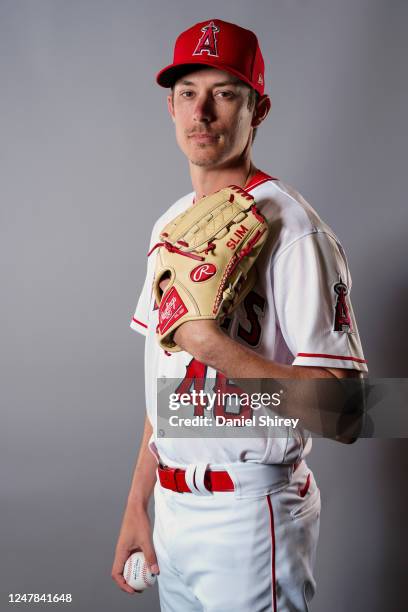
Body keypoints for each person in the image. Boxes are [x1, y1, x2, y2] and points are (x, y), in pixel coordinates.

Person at [111, 19, 368, 611]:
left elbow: (352, 413)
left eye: (224, 92)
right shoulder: (169, 224)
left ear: (260, 109)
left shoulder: (295, 229)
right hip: (173, 514)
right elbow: (168, 389)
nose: (202, 111)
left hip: (252, 519)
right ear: (170, 108)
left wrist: (214, 346)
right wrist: (137, 502)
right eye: (187, 93)